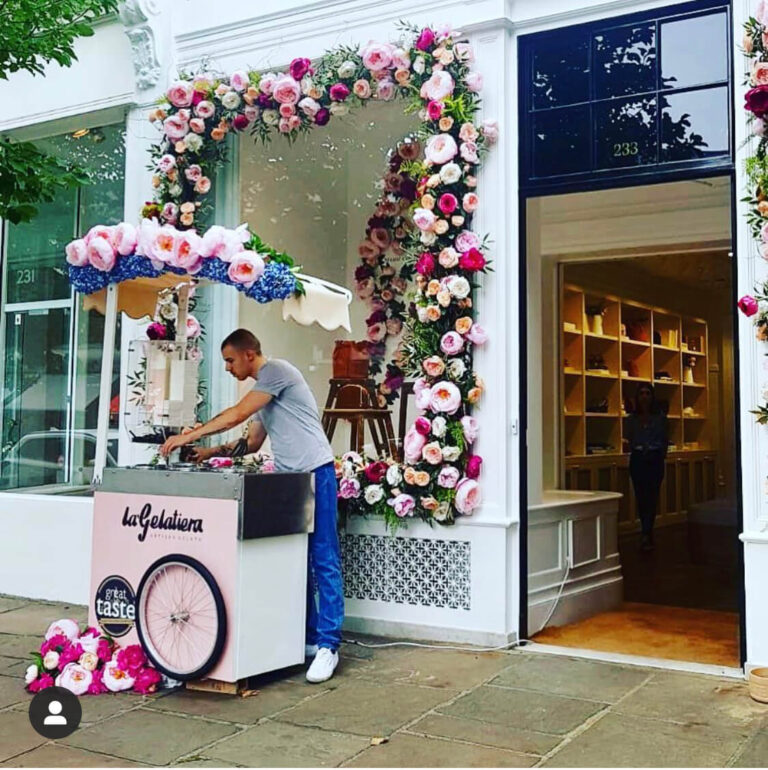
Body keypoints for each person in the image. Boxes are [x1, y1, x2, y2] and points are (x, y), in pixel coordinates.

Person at [160, 329, 343, 683]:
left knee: (323, 557)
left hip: (316, 472)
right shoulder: (265, 390)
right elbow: (254, 442)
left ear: (248, 354)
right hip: (290, 480)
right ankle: (307, 638)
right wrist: (210, 453)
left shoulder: (277, 371)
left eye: (230, 360)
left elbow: (236, 415)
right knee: (295, 560)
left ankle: (328, 645)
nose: (227, 368)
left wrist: (187, 435)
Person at [625, 383, 668, 552]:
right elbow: (629, 437)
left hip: (654, 457)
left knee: (652, 495)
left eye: (647, 393)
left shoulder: (660, 418)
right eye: (641, 393)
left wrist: (659, 454)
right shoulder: (631, 419)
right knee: (640, 495)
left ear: (652, 397)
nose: (644, 396)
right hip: (638, 458)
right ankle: (645, 530)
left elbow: (665, 439)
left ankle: (647, 532)